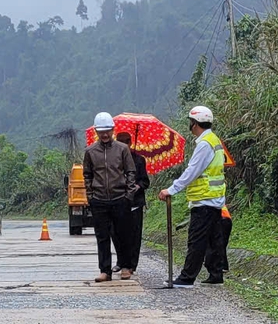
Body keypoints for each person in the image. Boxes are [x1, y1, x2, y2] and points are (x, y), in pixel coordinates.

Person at [158, 105, 232, 287]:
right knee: (215, 239)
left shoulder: (205, 144)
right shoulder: (214, 140)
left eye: (191, 123)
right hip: (214, 200)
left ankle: (187, 277)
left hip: (204, 200)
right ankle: (216, 274)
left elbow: (193, 171)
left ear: (194, 124)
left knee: (197, 240)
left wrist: (172, 189)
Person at [80, 112, 141, 282]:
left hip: (120, 198)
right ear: (96, 132)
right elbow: (87, 175)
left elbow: (130, 171)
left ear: (113, 130)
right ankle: (105, 270)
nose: (105, 134)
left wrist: (128, 195)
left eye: (107, 130)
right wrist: (90, 196)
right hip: (99, 200)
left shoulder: (122, 149)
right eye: (101, 131)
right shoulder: (90, 151)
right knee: (102, 236)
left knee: (124, 234)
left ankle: (126, 267)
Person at [112, 129, 149, 279]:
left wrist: (137, 187)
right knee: (116, 233)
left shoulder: (139, 160)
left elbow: (145, 181)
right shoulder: (113, 160)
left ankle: (132, 264)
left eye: (125, 143)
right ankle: (121, 261)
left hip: (135, 203)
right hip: (117, 201)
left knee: (134, 235)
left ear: (130, 143)